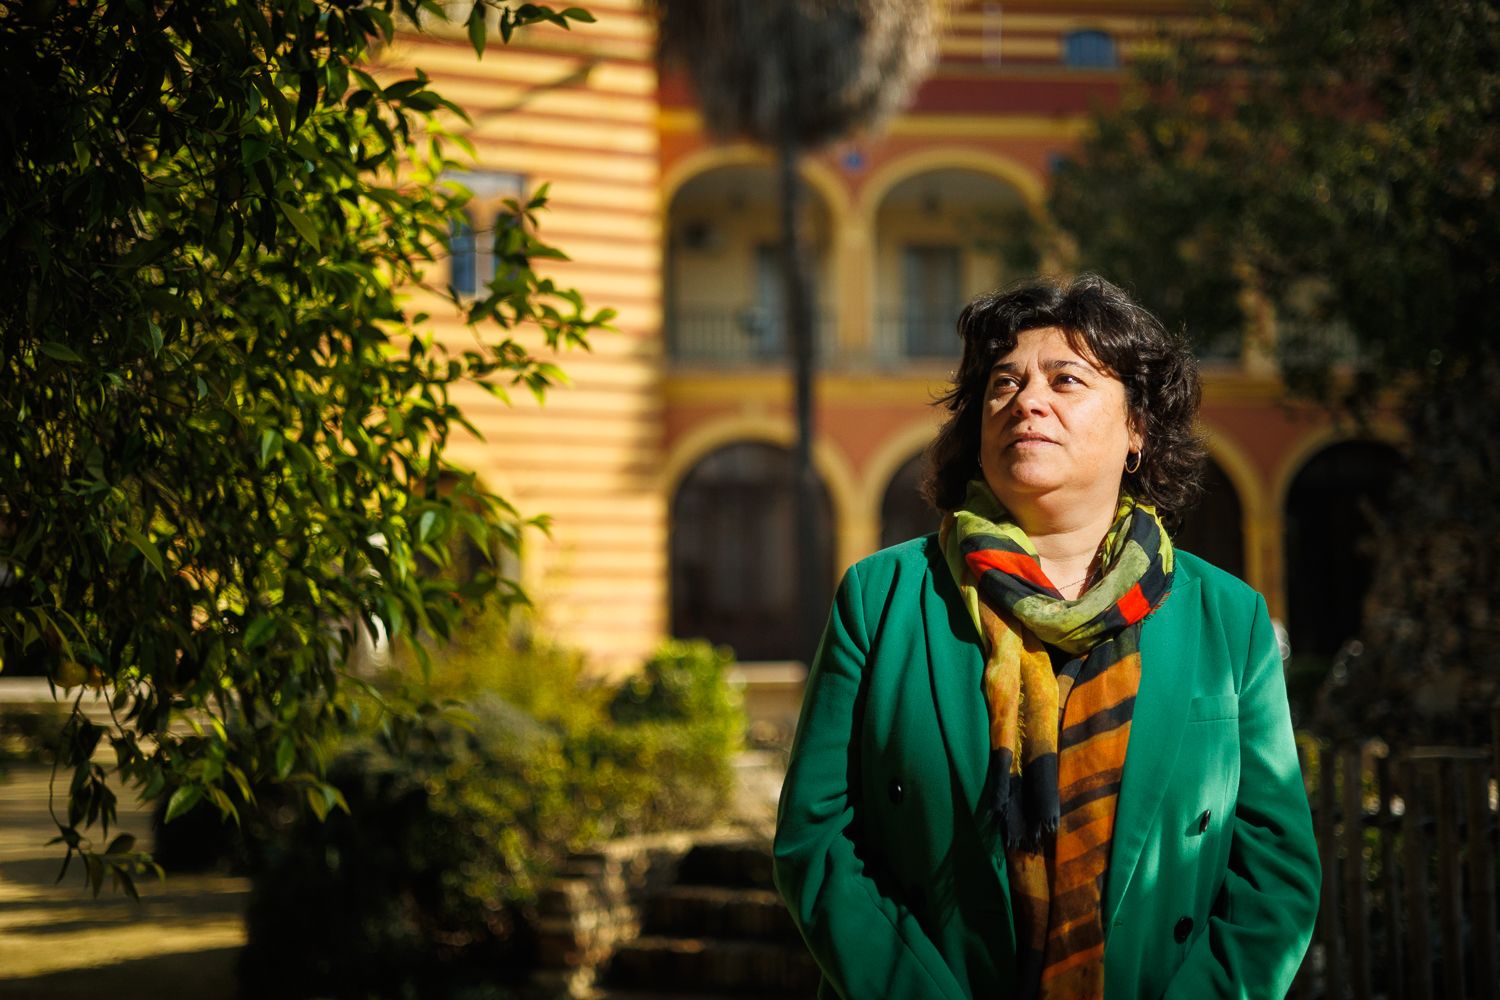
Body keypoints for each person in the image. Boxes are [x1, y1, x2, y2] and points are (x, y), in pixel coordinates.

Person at [772, 274, 1319, 999]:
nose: (1027, 401)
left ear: (1138, 429)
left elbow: (1275, 875)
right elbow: (816, 840)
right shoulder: (883, 599)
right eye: (1003, 384)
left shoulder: (1228, 618)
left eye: (1066, 380)